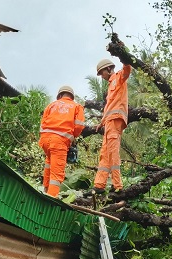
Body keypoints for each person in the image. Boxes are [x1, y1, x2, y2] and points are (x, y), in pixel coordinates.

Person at [92, 58, 131, 194]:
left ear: (108, 69)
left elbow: (127, 69)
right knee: (105, 153)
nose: (101, 76)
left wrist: (122, 55)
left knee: (113, 153)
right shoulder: (110, 86)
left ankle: (117, 186)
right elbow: (109, 107)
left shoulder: (118, 77)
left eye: (101, 73)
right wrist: (101, 123)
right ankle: (99, 186)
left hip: (115, 121)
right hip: (109, 122)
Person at [38, 85, 85, 197]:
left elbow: (43, 123)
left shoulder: (51, 105)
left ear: (59, 95)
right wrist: (73, 137)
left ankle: (45, 190)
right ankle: (50, 199)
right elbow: (79, 126)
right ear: (72, 97)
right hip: (59, 142)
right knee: (56, 175)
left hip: (45, 140)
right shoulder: (76, 107)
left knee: (49, 163)